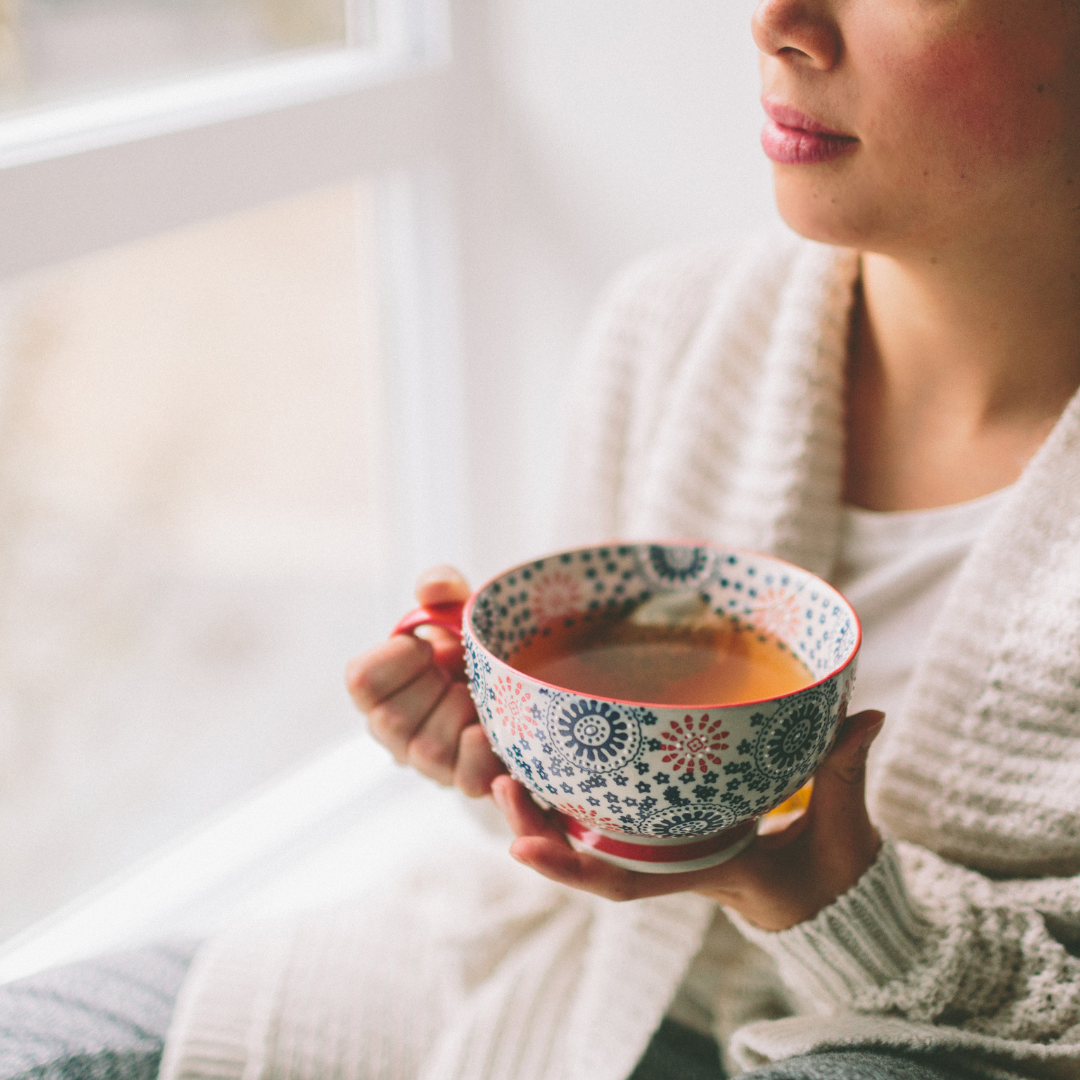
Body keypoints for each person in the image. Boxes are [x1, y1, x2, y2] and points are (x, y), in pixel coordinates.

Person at [4, 2, 1079, 1079]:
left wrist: (839, 904)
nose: (778, 25)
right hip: (559, 976)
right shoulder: (672, 329)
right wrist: (507, 751)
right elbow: (586, 822)